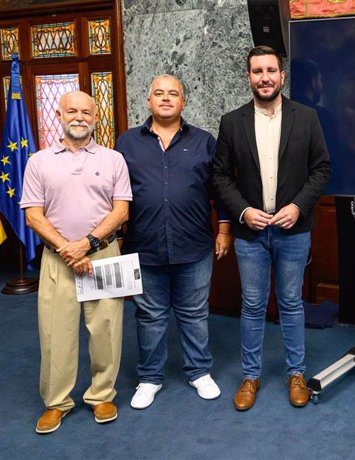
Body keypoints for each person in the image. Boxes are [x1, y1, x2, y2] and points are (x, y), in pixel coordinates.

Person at [212, 46, 331, 411]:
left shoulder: (307, 117)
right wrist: (243, 212)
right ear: (248, 77)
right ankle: (250, 376)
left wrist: (298, 206)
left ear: (282, 76)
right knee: (251, 304)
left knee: (292, 303)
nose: (264, 77)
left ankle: (296, 374)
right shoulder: (232, 122)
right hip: (251, 232)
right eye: (257, 71)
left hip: (293, 231)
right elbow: (219, 175)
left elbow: (322, 169)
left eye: (271, 70)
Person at [115, 74, 230, 410]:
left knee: (194, 313)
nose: (166, 98)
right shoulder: (127, 143)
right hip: (144, 245)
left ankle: (199, 371)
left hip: (194, 245)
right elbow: (113, 192)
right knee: (149, 316)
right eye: (159, 93)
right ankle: (150, 378)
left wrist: (224, 230)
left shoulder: (205, 142)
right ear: (148, 100)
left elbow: (219, 191)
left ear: (184, 102)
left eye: (173, 94)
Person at [20, 90, 132, 433]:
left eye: (86, 112)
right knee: (56, 332)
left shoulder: (113, 159)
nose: (79, 117)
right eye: (72, 111)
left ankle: (102, 395)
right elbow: (33, 216)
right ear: (59, 115)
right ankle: (57, 402)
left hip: (104, 255)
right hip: (58, 261)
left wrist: (86, 244)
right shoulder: (39, 161)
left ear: (96, 118)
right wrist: (68, 248)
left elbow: (122, 210)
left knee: (107, 329)